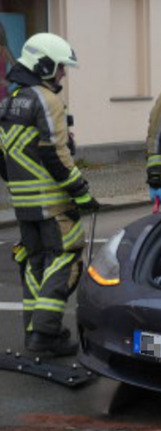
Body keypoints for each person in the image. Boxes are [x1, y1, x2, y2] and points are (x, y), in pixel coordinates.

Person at [0, 33, 98, 357]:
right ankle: (46, 335)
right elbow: (54, 153)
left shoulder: (9, 102)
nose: (63, 75)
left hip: (24, 205)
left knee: (35, 264)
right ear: (43, 65)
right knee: (66, 259)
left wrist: (20, 186)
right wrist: (80, 192)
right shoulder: (47, 99)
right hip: (53, 204)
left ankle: (33, 334)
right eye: (59, 68)